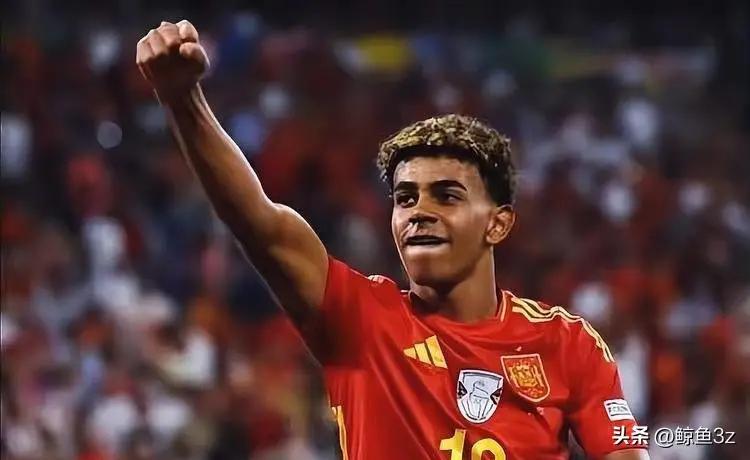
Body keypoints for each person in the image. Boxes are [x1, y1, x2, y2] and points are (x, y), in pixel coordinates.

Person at [135, 20, 650, 460]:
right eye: (406, 198)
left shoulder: (566, 343)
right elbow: (260, 225)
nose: (419, 212)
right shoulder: (361, 318)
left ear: (497, 224)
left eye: (446, 196)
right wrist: (183, 100)